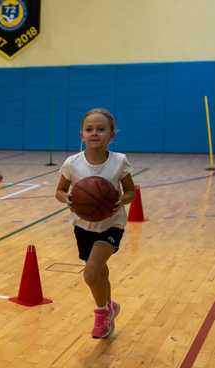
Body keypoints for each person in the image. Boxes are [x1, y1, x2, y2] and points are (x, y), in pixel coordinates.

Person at [55, 108, 135, 339]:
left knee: (90, 273)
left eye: (101, 129)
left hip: (112, 224)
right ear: (82, 134)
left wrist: (122, 200)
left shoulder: (119, 161)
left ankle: (102, 315)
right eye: (89, 129)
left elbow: (130, 192)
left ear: (112, 135)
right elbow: (59, 191)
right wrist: (67, 198)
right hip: (83, 225)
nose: (95, 133)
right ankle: (110, 306)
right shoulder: (72, 163)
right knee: (100, 272)